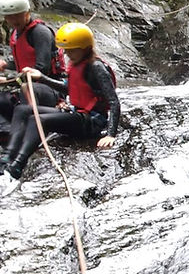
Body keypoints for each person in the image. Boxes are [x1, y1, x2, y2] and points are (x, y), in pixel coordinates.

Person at [0, 22, 119, 197]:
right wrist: (41, 77)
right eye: (67, 50)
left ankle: (16, 167)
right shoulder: (77, 63)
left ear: (85, 48)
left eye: (72, 50)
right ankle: (7, 158)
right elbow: (70, 88)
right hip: (75, 113)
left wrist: (110, 134)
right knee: (23, 110)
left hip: (91, 121)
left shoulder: (96, 68)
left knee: (37, 120)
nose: (68, 54)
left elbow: (114, 102)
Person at [0, 0, 65, 132]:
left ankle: (28, 128)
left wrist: (9, 80)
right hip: (28, 86)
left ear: (27, 13)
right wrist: (5, 65)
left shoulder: (40, 33)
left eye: (18, 16)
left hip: (50, 90)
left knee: (27, 88)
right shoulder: (16, 32)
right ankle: (6, 129)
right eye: (10, 17)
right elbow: (20, 61)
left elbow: (41, 69)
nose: (14, 20)